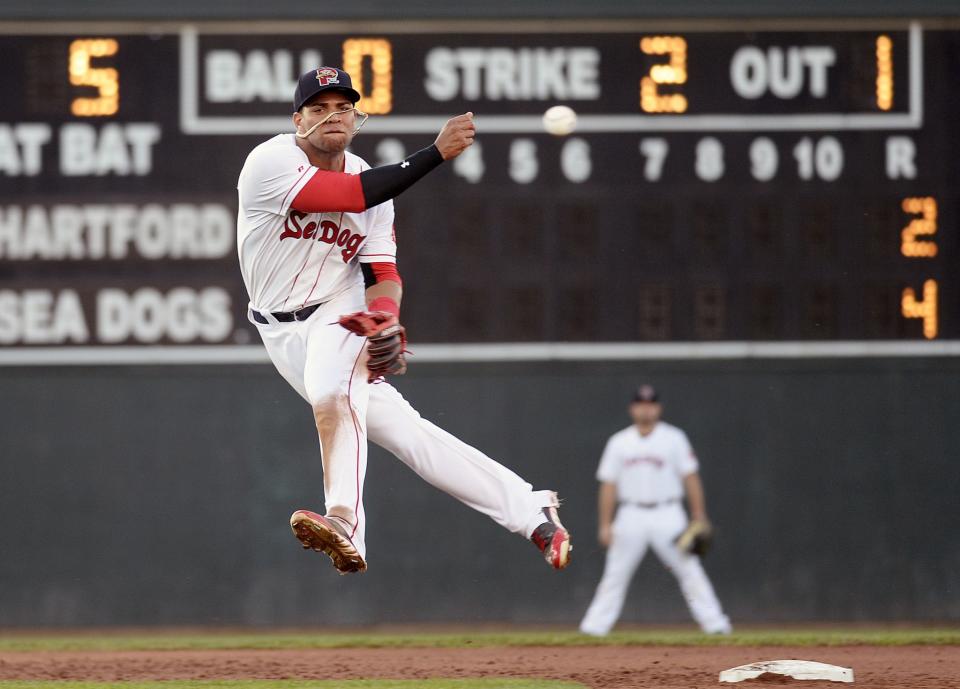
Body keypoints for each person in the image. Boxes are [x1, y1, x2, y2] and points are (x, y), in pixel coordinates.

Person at [235, 66, 571, 575]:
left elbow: (382, 272)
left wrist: (386, 318)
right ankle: (532, 511)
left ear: (356, 117)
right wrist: (433, 154)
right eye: (319, 108)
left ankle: (345, 521)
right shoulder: (271, 160)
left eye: (343, 107)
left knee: (332, 392)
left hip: (337, 311)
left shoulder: (370, 180)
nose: (332, 116)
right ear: (297, 119)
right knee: (407, 434)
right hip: (278, 331)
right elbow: (352, 195)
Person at [579, 384, 731, 635]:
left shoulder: (674, 438)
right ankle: (594, 628)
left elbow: (690, 477)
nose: (646, 409)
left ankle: (715, 625)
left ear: (658, 408)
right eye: (641, 404)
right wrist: (605, 524)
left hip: (668, 512)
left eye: (650, 404)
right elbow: (608, 485)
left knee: (689, 569)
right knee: (615, 573)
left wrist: (699, 514)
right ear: (632, 408)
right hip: (630, 513)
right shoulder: (619, 442)